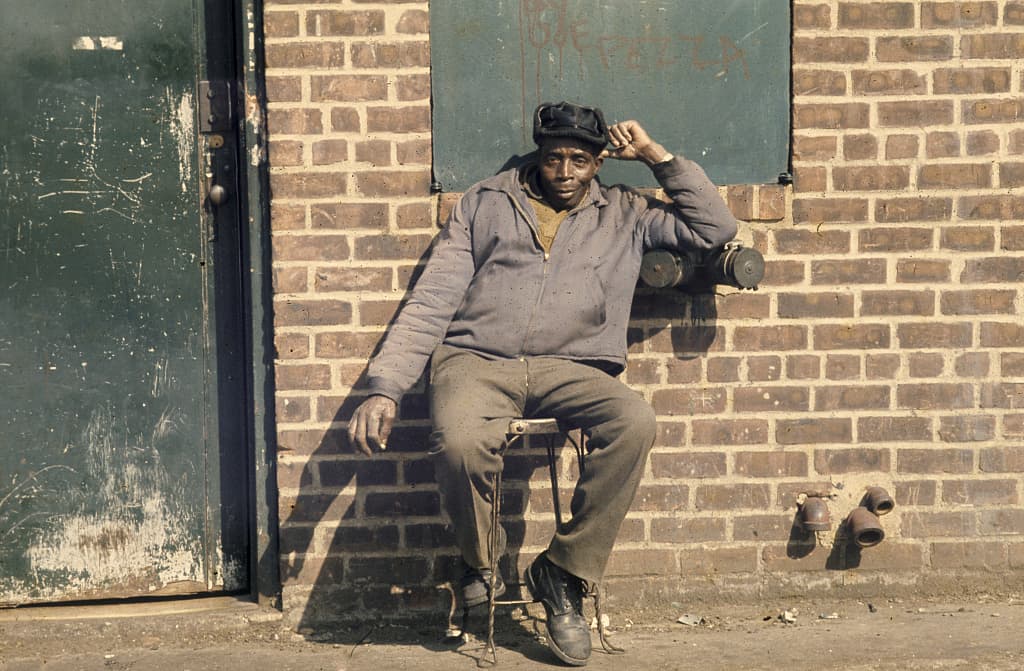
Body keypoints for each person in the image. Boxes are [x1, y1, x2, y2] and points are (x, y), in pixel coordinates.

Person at [348, 101, 737, 666]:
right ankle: (481, 562)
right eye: (554, 157)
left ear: (600, 161)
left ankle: (563, 572)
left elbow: (715, 227)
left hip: (574, 367)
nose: (564, 172)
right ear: (539, 155)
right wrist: (385, 385)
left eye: (579, 159)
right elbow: (433, 299)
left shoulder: (628, 211)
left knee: (634, 422)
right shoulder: (484, 204)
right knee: (459, 443)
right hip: (477, 360)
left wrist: (655, 155)